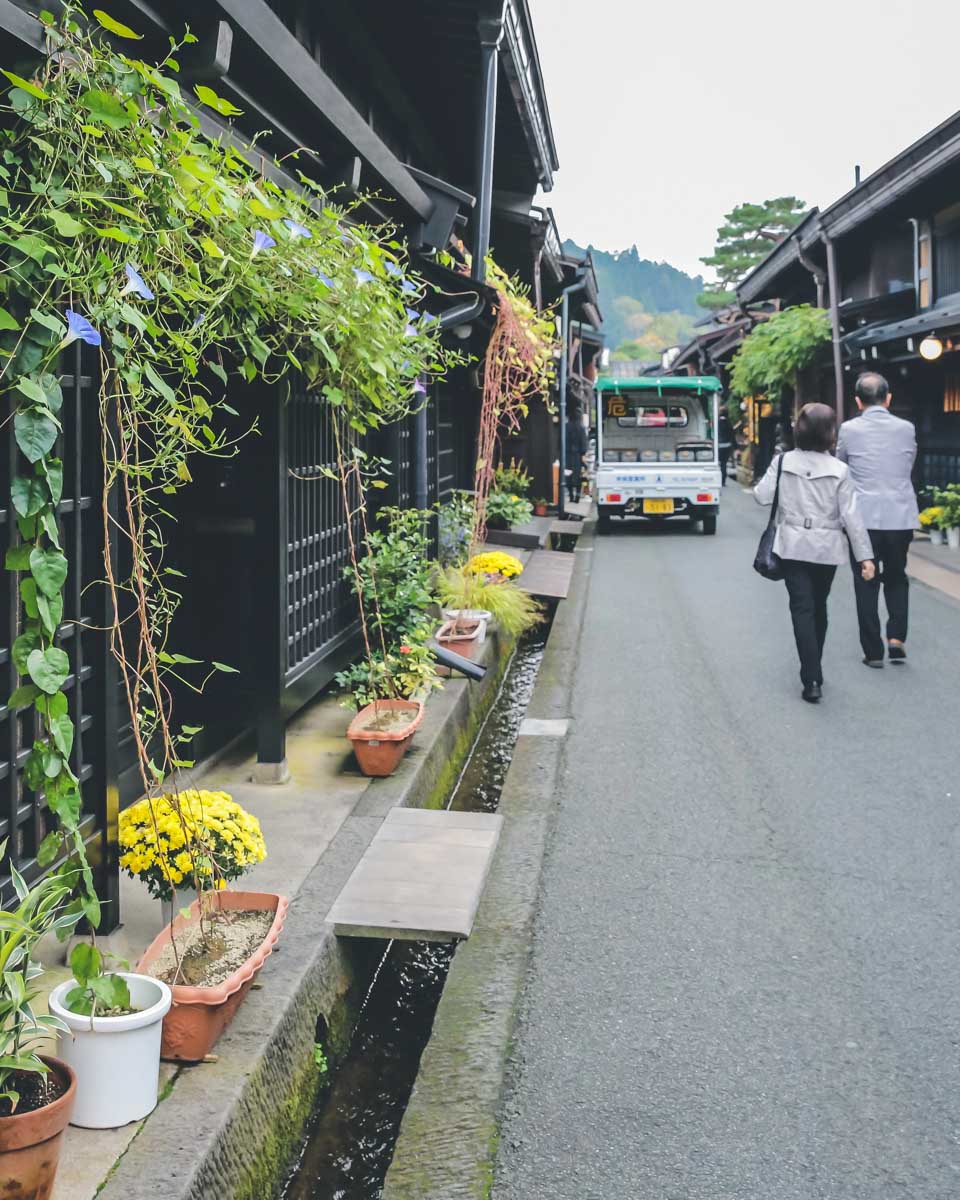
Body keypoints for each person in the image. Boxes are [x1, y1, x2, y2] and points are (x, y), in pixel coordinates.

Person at [755, 403, 875, 703]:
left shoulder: (782, 462)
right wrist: (865, 557)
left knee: (801, 608)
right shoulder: (840, 470)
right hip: (826, 547)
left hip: (792, 544)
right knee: (819, 607)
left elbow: (761, 496)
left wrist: (775, 472)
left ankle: (811, 678)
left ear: (800, 430)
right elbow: (852, 517)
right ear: (830, 433)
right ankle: (814, 665)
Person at [836, 371, 919, 667]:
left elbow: (840, 468)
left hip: (864, 518)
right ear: (889, 398)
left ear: (858, 401)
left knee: (865, 580)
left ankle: (873, 652)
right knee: (897, 576)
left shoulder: (848, 430)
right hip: (900, 514)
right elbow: (908, 463)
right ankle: (896, 638)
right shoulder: (906, 428)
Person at [564, 407, 588, 503]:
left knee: (568, 475)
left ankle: (570, 495)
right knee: (578, 476)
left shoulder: (566, 426)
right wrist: (583, 453)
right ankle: (577, 496)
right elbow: (583, 442)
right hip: (578, 456)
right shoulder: (581, 428)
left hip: (568, 455)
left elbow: (562, 441)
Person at [717, 408, 734, 486]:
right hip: (727, 446)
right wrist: (735, 447)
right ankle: (723, 481)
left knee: (718, 463)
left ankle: (717, 479)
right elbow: (732, 435)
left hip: (719, 445)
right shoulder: (729, 422)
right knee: (724, 464)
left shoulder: (717, 422)